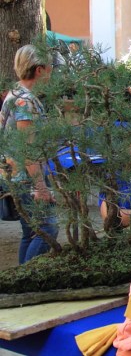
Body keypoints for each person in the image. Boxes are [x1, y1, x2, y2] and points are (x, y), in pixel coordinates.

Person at [0, 45, 59, 264]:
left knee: (31, 231)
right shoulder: (25, 101)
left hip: (15, 176)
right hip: (26, 178)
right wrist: (40, 186)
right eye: (50, 68)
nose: (51, 73)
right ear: (39, 70)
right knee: (48, 228)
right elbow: (28, 148)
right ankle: (27, 276)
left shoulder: (14, 93)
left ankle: (22, 275)